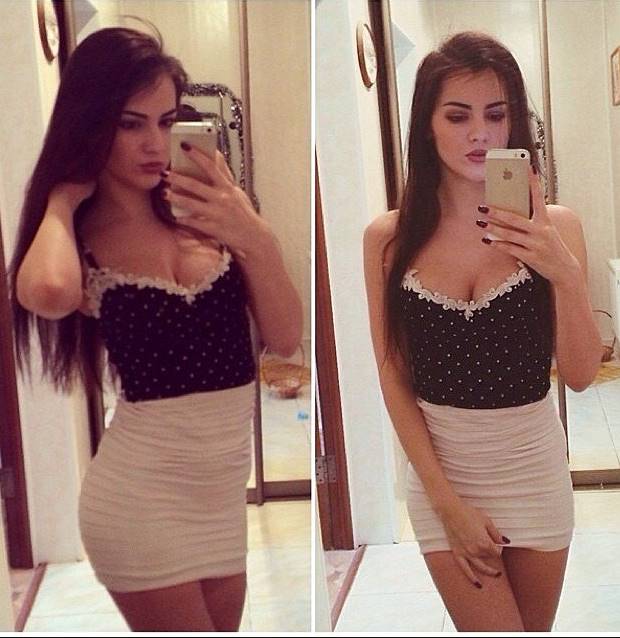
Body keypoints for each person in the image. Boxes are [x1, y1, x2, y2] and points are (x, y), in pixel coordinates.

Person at [9, 27, 302, 632]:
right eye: (129, 123)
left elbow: (286, 337)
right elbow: (49, 294)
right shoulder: (82, 240)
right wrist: (61, 199)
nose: (153, 143)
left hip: (221, 499)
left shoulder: (211, 216)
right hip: (140, 501)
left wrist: (252, 231)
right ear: (91, 125)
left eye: (166, 121)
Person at [363, 31, 602, 632]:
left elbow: (579, 376)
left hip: (535, 471)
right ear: (427, 125)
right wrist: (447, 505)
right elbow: (394, 376)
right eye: (457, 115)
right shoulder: (389, 239)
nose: (480, 134)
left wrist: (564, 274)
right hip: (443, 478)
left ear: (514, 122)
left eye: (496, 115)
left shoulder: (557, 228)